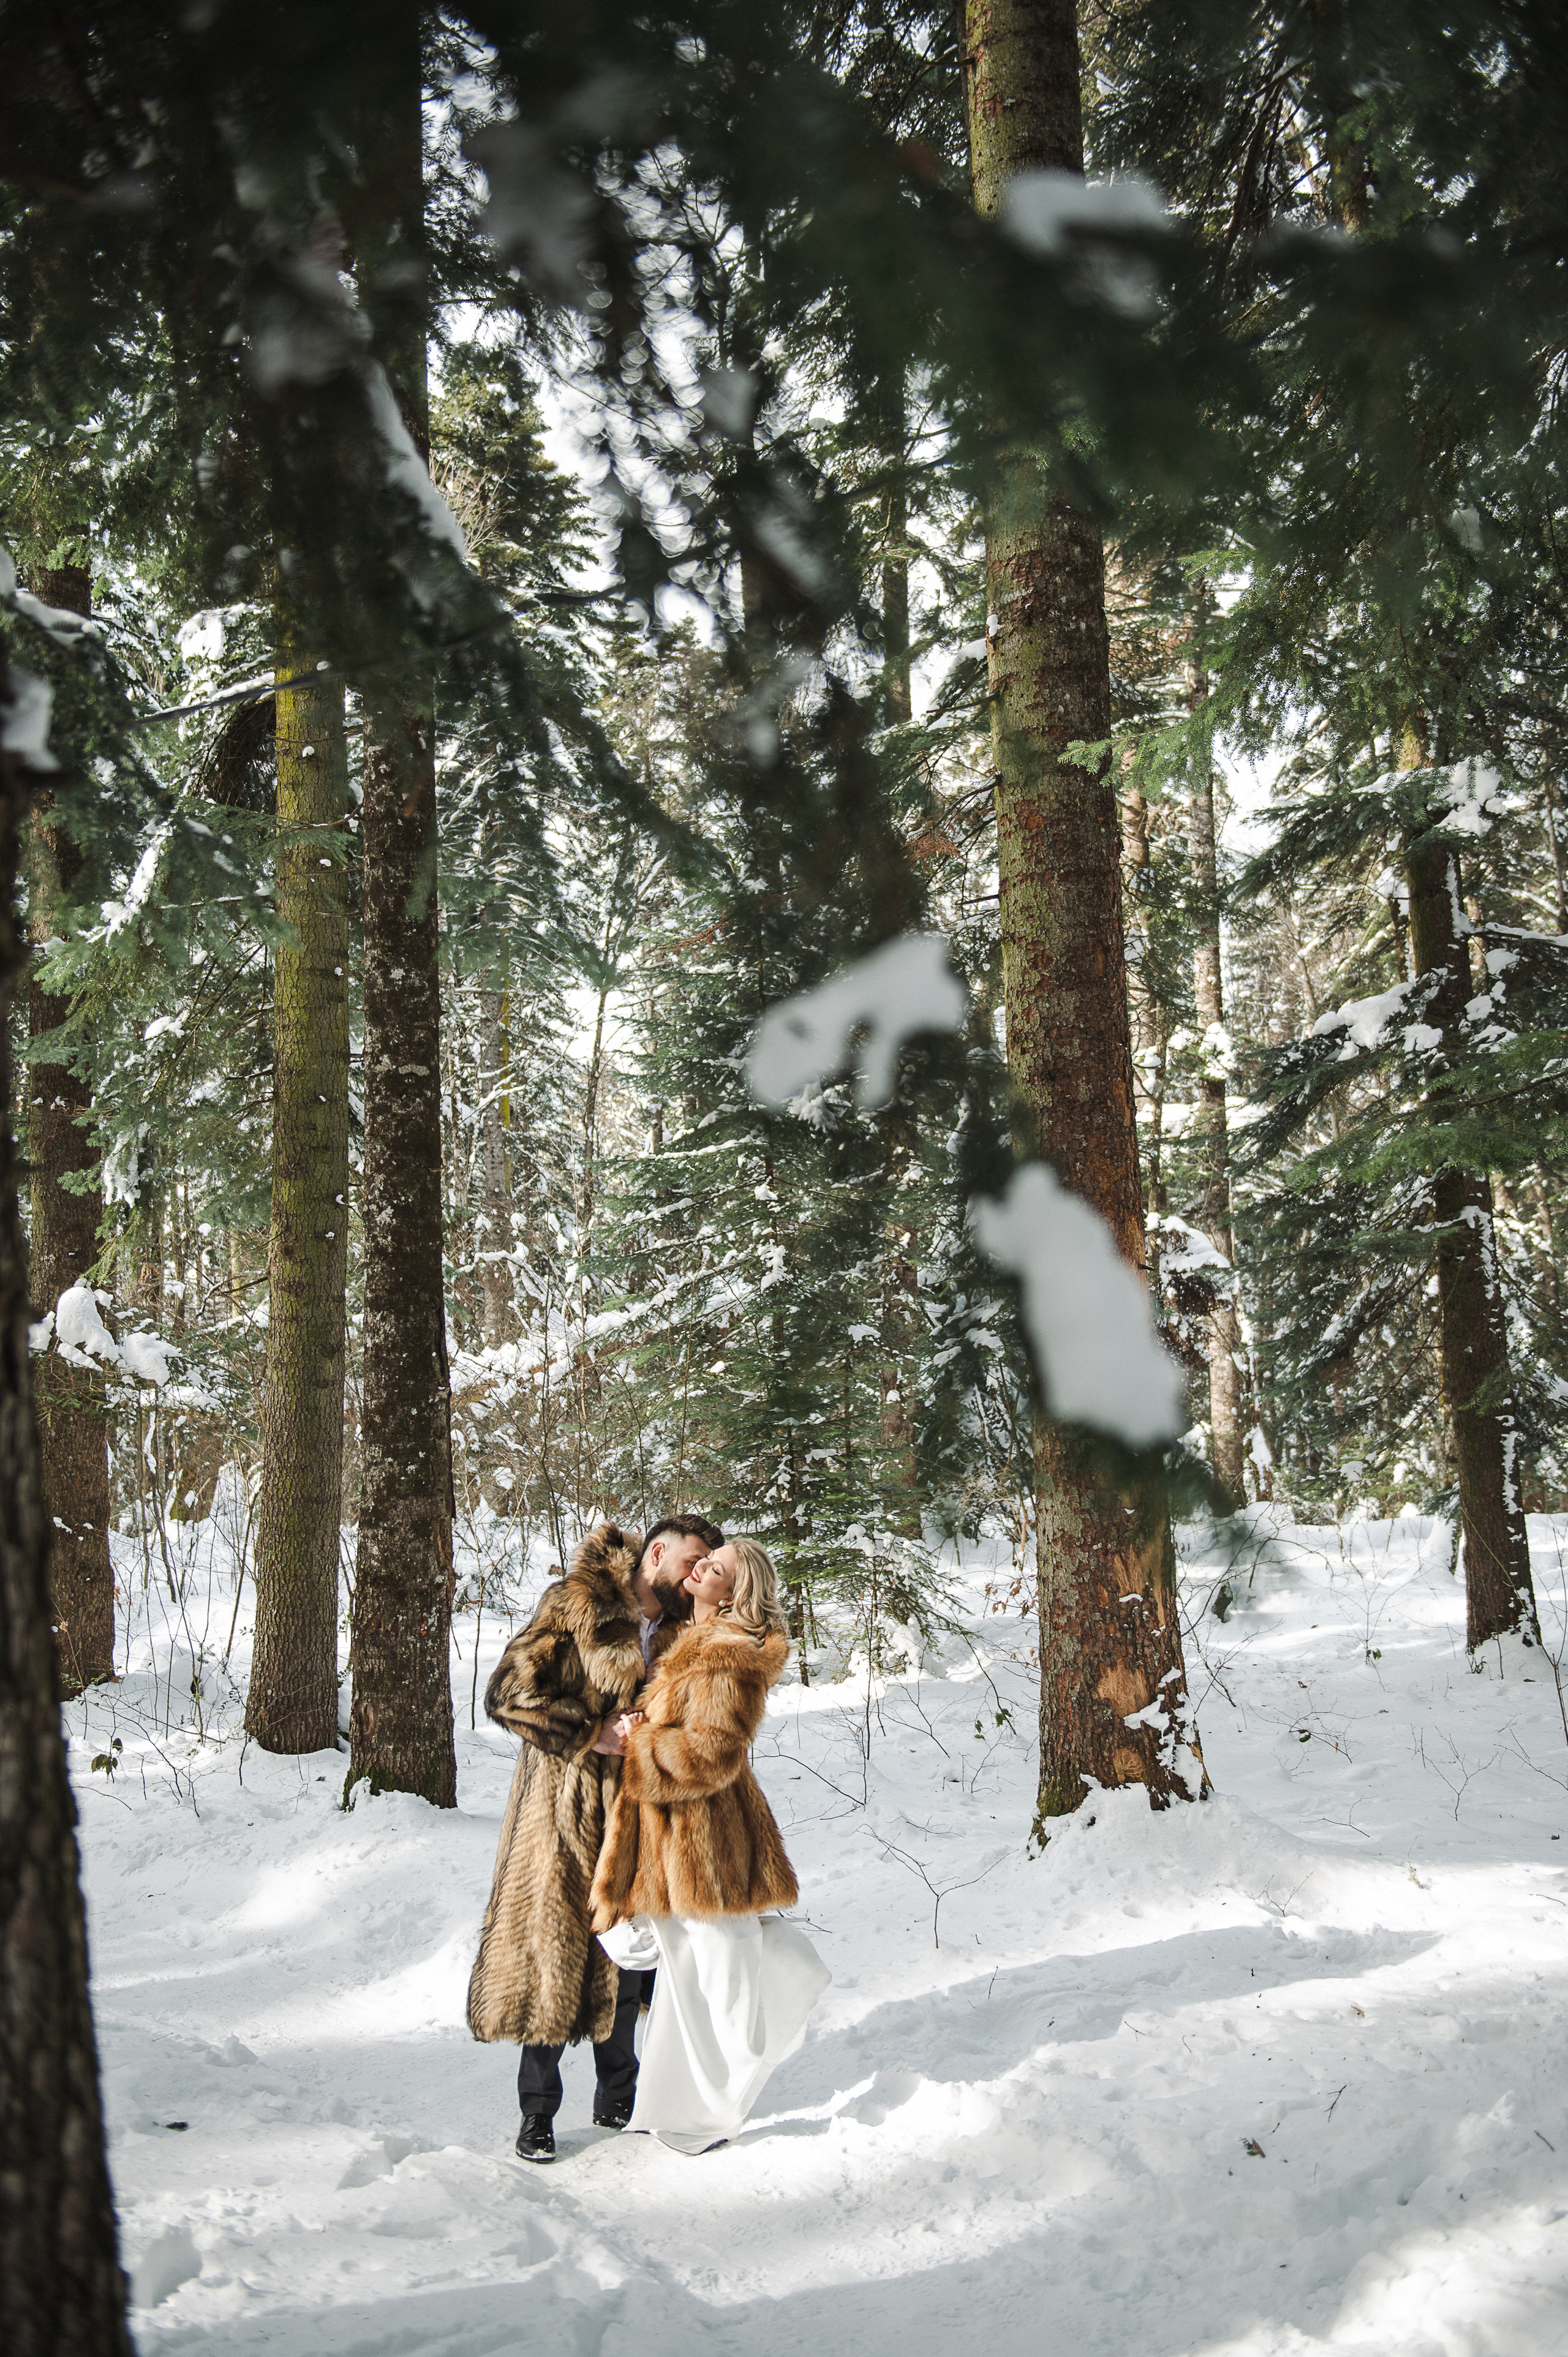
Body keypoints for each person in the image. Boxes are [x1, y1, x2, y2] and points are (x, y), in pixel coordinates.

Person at [466, 1512, 724, 2162]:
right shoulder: (575, 1601)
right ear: (656, 1552)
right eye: (692, 1562)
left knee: (631, 1959)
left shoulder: (682, 1630)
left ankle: (621, 2096)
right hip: (560, 1814)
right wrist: (590, 1729)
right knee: (551, 1959)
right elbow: (506, 1694)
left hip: (640, 1816)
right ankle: (537, 2114)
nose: (696, 1576)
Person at [589, 1537, 830, 2154]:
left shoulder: (727, 1656)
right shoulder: (689, 1645)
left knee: (721, 1987)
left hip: (708, 1841)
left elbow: (711, 1754)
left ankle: (711, 2109)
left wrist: (639, 1745)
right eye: (705, 1558)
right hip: (672, 1839)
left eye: (715, 1567)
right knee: (686, 1984)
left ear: (732, 1591)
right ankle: (675, 2110)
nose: (700, 1565)